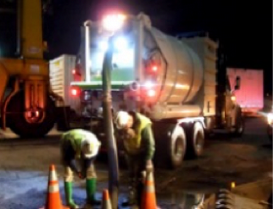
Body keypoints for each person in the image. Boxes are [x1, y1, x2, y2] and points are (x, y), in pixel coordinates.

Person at [114, 110, 155, 206]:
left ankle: (142, 201)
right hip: (130, 153)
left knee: (141, 177)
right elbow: (117, 134)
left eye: (125, 127)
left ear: (129, 121)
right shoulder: (122, 122)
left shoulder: (143, 124)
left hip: (141, 154)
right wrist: (123, 135)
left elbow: (150, 145)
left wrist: (148, 160)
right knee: (132, 177)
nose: (124, 129)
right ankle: (132, 199)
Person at [60, 129, 101, 209]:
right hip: (67, 142)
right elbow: (69, 160)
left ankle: (91, 198)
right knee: (68, 173)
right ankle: (69, 201)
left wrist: (84, 170)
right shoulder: (70, 143)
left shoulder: (95, 144)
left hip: (83, 144)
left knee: (91, 172)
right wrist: (78, 171)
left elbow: (89, 160)